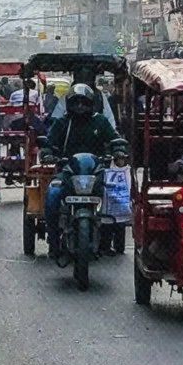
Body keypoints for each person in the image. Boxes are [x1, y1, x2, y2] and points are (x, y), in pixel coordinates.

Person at [42, 84, 117, 247]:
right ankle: (53, 240)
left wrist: (119, 150)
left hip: (96, 172)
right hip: (67, 171)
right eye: (76, 102)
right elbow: (48, 143)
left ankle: (110, 235)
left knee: (115, 194)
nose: (80, 106)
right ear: (69, 104)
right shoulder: (62, 123)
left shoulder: (100, 121)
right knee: (52, 195)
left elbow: (114, 139)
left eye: (84, 102)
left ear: (91, 104)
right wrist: (47, 153)